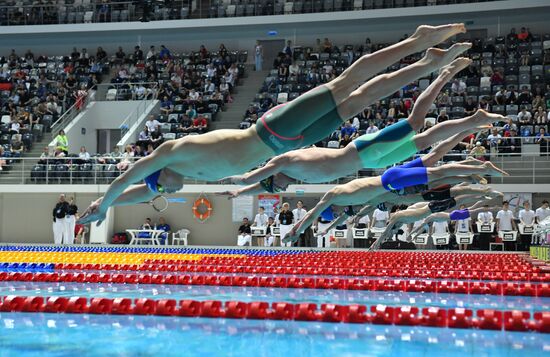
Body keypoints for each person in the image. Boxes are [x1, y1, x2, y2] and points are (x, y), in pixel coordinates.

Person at [80, 25, 471, 226]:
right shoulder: (182, 176)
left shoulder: (172, 155)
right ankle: (425, 65)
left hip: (270, 131)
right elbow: (138, 193)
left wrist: (106, 199)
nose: (168, 192)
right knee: (361, 101)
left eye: (161, 188)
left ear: (159, 175)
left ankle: (416, 43)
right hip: (288, 144)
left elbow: (131, 178)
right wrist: (106, 207)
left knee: (343, 86)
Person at [224, 61, 503, 195]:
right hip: (375, 162)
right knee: (425, 139)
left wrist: (238, 181)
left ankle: (444, 75)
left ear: (276, 178)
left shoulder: (287, 160)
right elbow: (262, 183)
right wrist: (241, 192)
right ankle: (472, 122)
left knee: (415, 123)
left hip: (364, 151)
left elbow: (258, 175)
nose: (281, 190)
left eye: (276, 188)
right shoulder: (300, 179)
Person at [282, 156, 506, 244]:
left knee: (439, 172)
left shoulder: (336, 197)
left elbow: (314, 214)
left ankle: (477, 167)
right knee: (441, 174)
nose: (343, 212)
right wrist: (301, 230)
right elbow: (351, 213)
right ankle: (471, 171)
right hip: (399, 187)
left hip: (394, 183)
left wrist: (299, 230)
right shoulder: (349, 199)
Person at [370, 191, 503, 249]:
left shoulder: (397, 217)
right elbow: (420, 225)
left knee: (462, 201)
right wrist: (412, 234)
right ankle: (483, 198)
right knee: (468, 208)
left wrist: (377, 242)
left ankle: (484, 196)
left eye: (394, 230)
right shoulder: (407, 214)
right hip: (433, 206)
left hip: (433, 207)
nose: (396, 230)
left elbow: (386, 231)